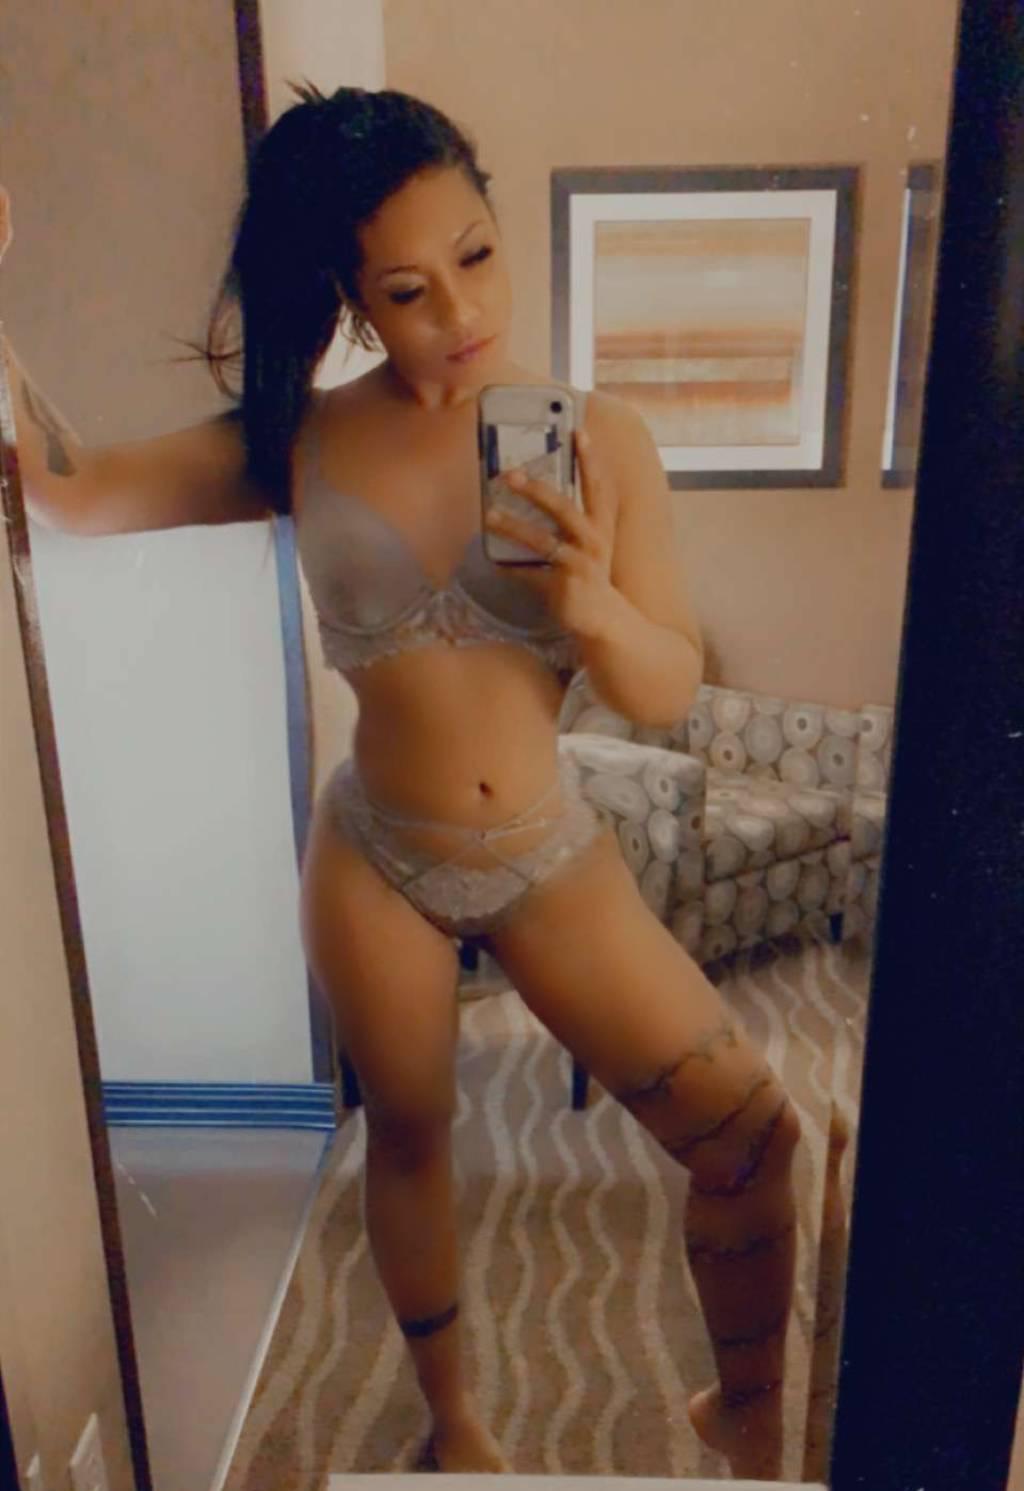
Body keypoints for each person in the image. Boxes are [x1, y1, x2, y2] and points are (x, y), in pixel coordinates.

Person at [0, 83, 801, 1480]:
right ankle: (456, 1422)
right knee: (412, 1135)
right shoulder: (300, 439)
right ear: (356, 302)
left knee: (750, 1134)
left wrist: (595, 606)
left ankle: (745, 1410)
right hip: (374, 854)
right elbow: (66, 490)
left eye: (476, 255)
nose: (461, 312)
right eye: (410, 291)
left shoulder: (598, 438)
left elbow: (669, 685)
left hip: (548, 851)